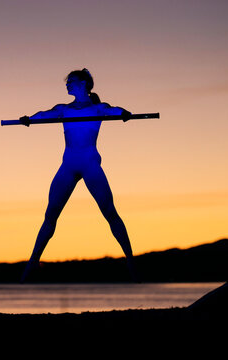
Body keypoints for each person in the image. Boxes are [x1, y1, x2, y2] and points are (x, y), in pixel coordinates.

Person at [20, 68, 139, 283]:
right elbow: (44, 114)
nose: (67, 85)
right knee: (50, 215)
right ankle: (31, 266)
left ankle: (131, 264)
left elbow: (115, 110)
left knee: (110, 212)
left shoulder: (97, 108)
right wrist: (29, 119)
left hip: (90, 164)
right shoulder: (63, 109)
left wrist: (124, 114)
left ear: (84, 83)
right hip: (68, 165)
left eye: (71, 81)